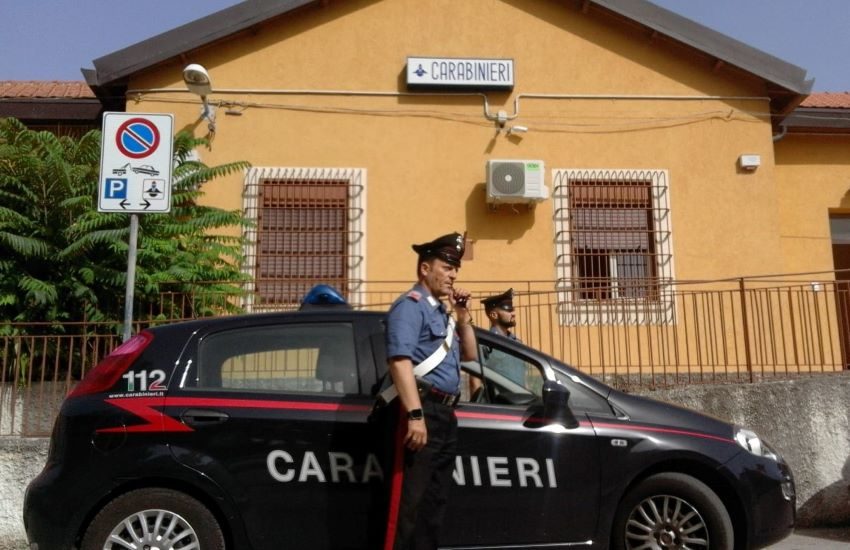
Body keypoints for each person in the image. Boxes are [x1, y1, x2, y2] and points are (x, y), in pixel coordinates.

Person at [381, 231, 477, 550]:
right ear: (425, 269)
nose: (453, 275)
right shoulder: (411, 307)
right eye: (447, 268)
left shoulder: (441, 312)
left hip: (445, 414)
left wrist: (463, 317)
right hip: (423, 410)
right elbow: (399, 361)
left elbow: (470, 356)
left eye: (455, 270)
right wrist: (415, 415)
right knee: (409, 504)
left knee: (434, 504)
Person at [476, 288, 527, 387]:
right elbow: (476, 379)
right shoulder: (485, 344)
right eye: (508, 310)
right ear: (494, 315)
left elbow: (524, 379)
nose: (513, 314)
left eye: (513, 310)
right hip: (499, 402)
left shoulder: (517, 343)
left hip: (521, 400)